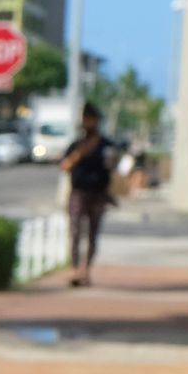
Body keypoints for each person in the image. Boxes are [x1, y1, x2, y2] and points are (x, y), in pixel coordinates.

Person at [63, 101, 113, 286]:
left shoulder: (105, 144)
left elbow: (113, 166)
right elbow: (65, 165)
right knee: (75, 231)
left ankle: (86, 270)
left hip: (98, 194)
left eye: (91, 119)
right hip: (78, 192)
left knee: (93, 234)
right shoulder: (77, 144)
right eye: (86, 118)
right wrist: (78, 154)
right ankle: (75, 269)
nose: (88, 122)